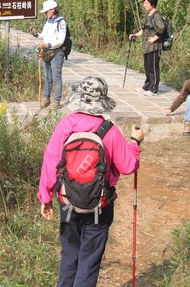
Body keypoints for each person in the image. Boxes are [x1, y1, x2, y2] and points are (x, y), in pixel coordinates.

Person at [39, 76, 143, 287]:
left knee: (69, 255)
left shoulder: (66, 125)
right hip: (99, 205)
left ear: (79, 98)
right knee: (89, 260)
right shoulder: (110, 130)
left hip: (68, 201)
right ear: (102, 101)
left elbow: (51, 161)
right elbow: (128, 166)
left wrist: (45, 197)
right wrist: (135, 143)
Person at [29, 0, 67, 109]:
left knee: (56, 77)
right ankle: (46, 98)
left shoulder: (61, 22)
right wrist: (36, 35)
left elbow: (61, 40)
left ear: (52, 10)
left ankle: (57, 101)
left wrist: (48, 45)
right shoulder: (48, 22)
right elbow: (44, 36)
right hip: (46, 53)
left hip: (57, 52)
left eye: (47, 11)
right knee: (47, 77)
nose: (45, 14)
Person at [128, 0, 167, 96]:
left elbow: (162, 27)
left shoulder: (156, 15)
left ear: (152, 3)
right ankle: (147, 86)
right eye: (144, 2)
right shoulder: (149, 14)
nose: (144, 4)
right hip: (147, 47)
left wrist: (155, 37)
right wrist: (135, 35)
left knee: (153, 67)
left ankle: (154, 89)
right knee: (147, 67)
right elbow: (144, 30)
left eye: (146, 2)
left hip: (154, 47)